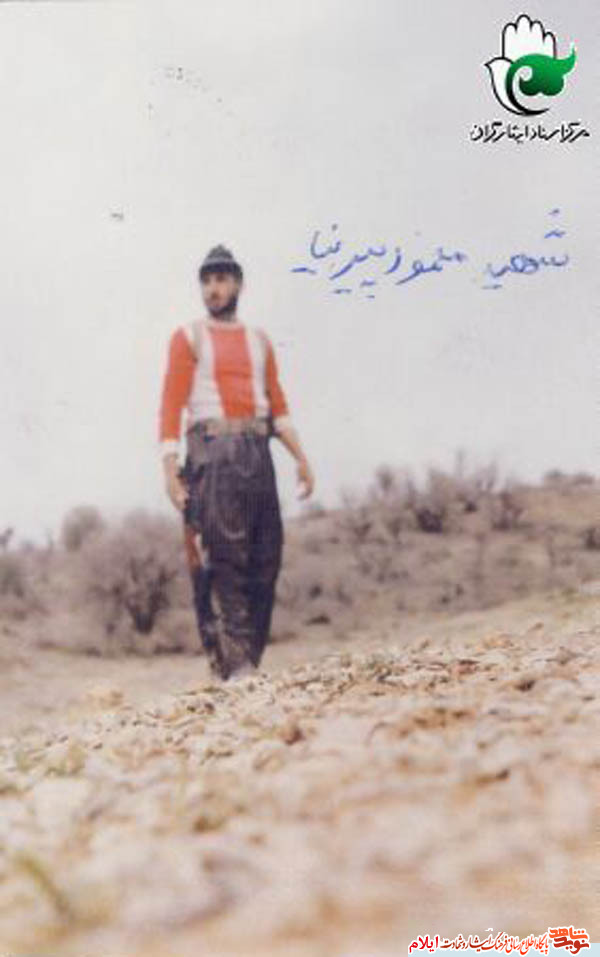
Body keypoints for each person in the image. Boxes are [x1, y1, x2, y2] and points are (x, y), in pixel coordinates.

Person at [158, 244, 314, 681]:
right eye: (207, 281)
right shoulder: (188, 337)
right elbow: (171, 404)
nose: (214, 289)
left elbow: (278, 406)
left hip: (258, 450)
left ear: (238, 284)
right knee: (224, 557)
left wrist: (302, 459)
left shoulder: (259, 341)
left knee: (266, 556)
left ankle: (246, 663)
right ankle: (234, 669)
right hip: (213, 452)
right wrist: (169, 467)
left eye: (222, 279)